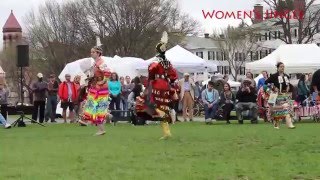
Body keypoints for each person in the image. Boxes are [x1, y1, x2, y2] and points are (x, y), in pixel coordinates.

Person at [138, 32, 178, 139]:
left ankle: (165, 116)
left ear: (157, 50)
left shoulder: (156, 61)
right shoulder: (167, 62)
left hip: (157, 84)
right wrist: (169, 80)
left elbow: (151, 70)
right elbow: (174, 75)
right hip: (166, 84)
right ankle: (167, 132)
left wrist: (149, 82)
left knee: (151, 104)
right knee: (162, 106)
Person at [82, 46, 111, 135]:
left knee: (97, 107)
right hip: (96, 87)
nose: (91, 53)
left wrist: (102, 81)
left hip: (100, 89)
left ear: (98, 53)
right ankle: (98, 126)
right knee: (94, 106)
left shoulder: (101, 62)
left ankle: (99, 124)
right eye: (91, 52)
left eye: (93, 52)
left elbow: (107, 72)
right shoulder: (96, 63)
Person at [265, 62, 295, 129]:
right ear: (278, 68)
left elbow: (288, 84)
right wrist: (273, 88)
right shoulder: (273, 76)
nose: (282, 68)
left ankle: (289, 123)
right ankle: (276, 123)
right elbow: (266, 83)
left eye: (283, 66)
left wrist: (288, 87)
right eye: (281, 66)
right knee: (276, 110)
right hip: (275, 95)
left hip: (284, 95)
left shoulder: (286, 76)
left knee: (287, 108)